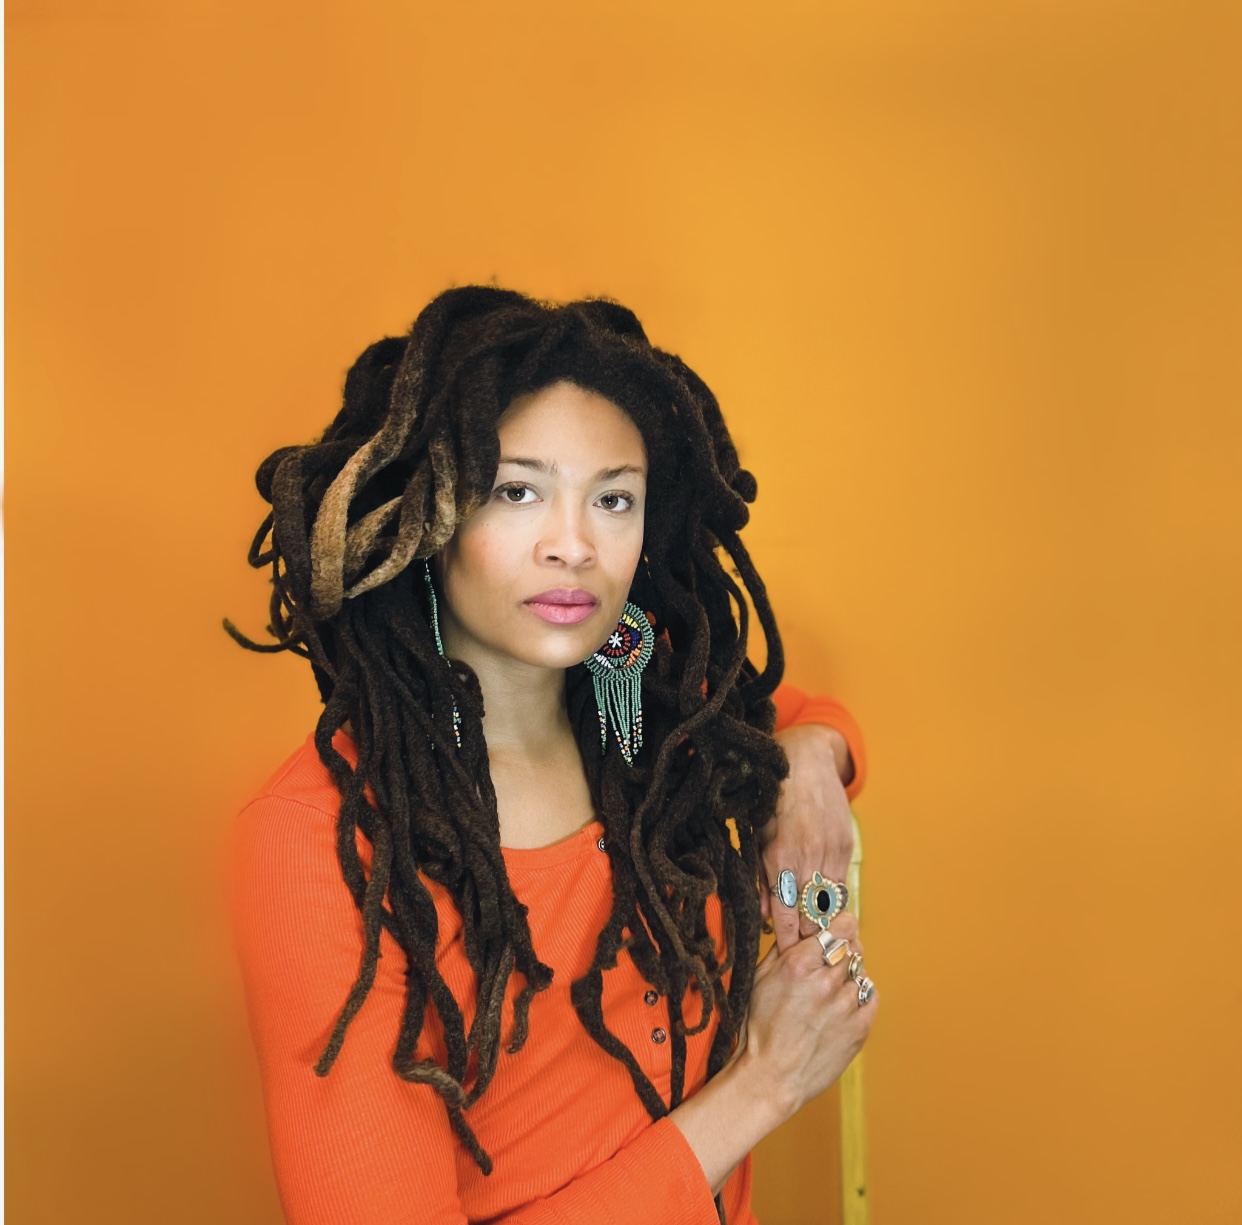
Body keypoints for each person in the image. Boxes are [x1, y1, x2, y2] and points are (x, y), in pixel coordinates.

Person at [228, 286, 878, 1225]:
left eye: (612, 498)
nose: (573, 545)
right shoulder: (324, 848)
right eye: (517, 490)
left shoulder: (639, 699)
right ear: (427, 516)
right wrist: (764, 1085)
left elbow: (807, 717)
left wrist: (813, 762)